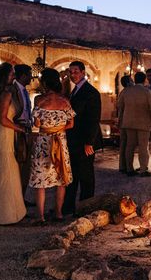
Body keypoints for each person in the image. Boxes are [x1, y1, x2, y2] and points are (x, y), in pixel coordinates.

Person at [28, 68, 75, 224]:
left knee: (41, 179)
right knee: (61, 177)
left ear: (45, 83)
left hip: (44, 142)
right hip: (60, 141)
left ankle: (40, 216)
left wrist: (48, 127)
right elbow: (71, 123)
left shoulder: (39, 100)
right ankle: (59, 213)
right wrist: (58, 128)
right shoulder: (65, 101)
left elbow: (37, 123)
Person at [0, 62, 27, 225]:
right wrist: (20, 129)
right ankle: (6, 215)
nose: (14, 76)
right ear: (4, 76)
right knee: (6, 174)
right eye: (11, 74)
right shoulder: (6, 94)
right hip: (3, 134)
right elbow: (3, 119)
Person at [63, 61, 102, 215]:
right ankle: (70, 207)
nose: (73, 75)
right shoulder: (74, 91)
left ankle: (86, 207)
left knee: (86, 175)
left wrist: (89, 142)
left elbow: (94, 119)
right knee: (73, 174)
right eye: (71, 72)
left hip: (84, 141)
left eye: (76, 72)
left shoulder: (91, 92)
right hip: (74, 140)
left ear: (83, 72)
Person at [116, 71, 151, 177]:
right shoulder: (146, 92)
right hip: (144, 122)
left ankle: (129, 168)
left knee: (130, 146)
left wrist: (121, 120)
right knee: (143, 147)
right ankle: (143, 169)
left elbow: (120, 106)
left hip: (128, 122)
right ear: (144, 80)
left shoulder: (126, 91)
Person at [8, 64, 33, 200]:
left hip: (27, 128)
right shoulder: (12, 90)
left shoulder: (25, 91)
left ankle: (22, 198)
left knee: (26, 166)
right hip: (17, 129)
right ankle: (16, 199)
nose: (31, 77)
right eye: (29, 74)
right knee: (19, 163)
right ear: (23, 76)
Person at [117, 75, 133, 173]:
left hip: (123, 121)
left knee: (124, 144)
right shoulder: (126, 93)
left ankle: (123, 165)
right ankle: (125, 166)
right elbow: (121, 108)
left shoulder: (123, 93)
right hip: (125, 121)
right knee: (127, 144)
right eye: (131, 80)